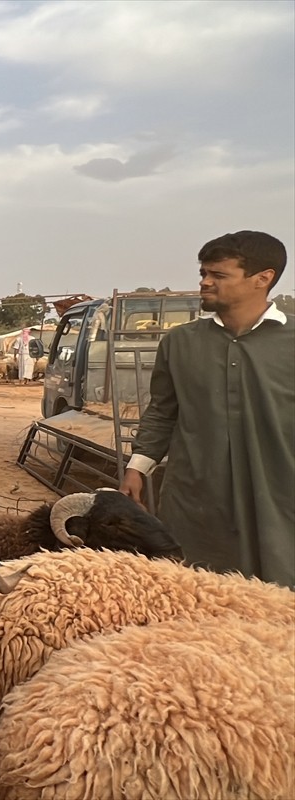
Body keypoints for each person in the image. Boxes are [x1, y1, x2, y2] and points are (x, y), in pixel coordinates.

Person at [119, 230, 293, 588]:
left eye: (218, 275)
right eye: (203, 274)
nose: (205, 283)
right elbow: (162, 413)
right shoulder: (180, 343)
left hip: (279, 500)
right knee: (194, 598)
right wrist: (137, 468)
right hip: (196, 502)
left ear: (263, 279)